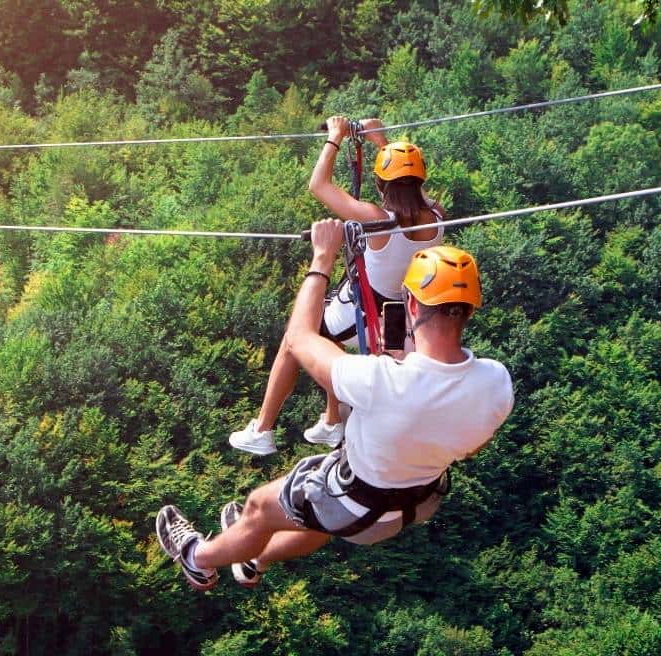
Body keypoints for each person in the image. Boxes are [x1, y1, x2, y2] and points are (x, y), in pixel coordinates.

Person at [157, 219, 513, 590]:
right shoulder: (496, 383)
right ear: (471, 310)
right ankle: (255, 559)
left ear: (409, 302)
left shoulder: (381, 379)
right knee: (317, 517)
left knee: (260, 509)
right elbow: (473, 445)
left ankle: (196, 559)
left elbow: (298, 338)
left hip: (355, 503)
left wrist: (322, 257)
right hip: (414, 504)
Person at [229, 116, 445, 455]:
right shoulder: (437, 216)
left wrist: (335, 137)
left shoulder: (376, 219)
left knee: (295, 339)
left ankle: (263, 429)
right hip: (401, 317)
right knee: (331, 339)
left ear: (379, 183)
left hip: (366, 310)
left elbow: (318, 185)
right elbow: (410, 185)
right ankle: (332, 420)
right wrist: (379, 141)